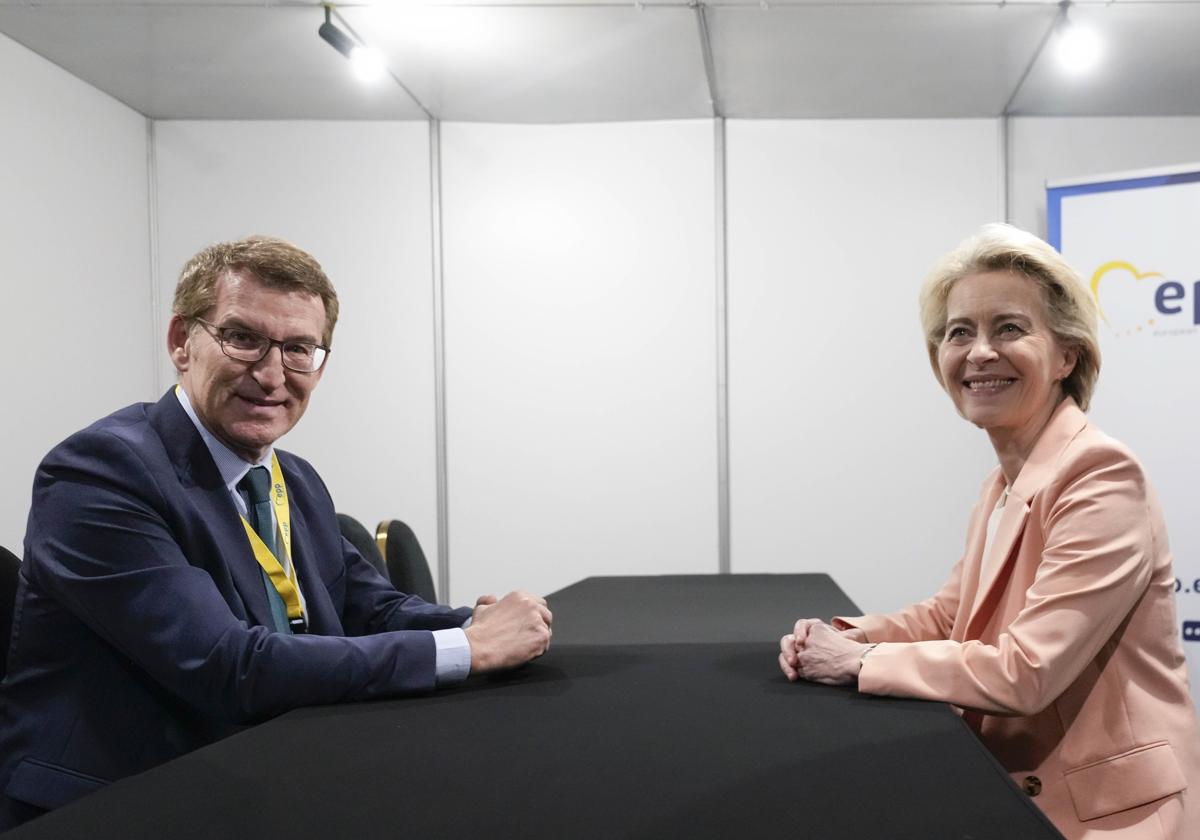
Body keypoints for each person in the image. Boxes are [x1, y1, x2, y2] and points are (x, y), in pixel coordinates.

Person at [0, 236, 552, 829]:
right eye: (243, 338)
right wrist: (467, 650)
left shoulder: (293, 478)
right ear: (181, 343)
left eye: (298, 349)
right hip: (119, 801)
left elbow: (371, 609)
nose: (270, 375)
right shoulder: (99, 473)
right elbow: (225, 665)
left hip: (258, 769)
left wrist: (476, 623)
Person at [778, 223, 1200, 839]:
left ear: (1067, 355)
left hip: (1109, 816)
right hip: (1020, 794)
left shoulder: (1099, 472)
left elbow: (1026, 670)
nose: (979, 353)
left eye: (1009, 328)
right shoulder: (1005, 478)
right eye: (959, 333)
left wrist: (861, 662)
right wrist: (841, 633)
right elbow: (953, 614)